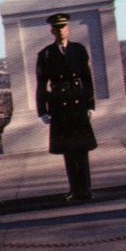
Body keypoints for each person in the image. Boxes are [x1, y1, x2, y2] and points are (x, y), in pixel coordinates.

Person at [36, 13, 98, 203]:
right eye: (57, 28)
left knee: (82, 149)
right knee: (69, 150)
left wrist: (90, 103)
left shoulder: (79, 50)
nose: (61, 30)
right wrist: (43, 110)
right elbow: (41, 84)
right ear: (52, 31)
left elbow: (87, 79)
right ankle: (74, 189)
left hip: (78, 103)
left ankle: (86, 189)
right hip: (59, 105)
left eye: (63, 26)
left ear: (68, 28)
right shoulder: (45, 54)